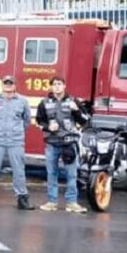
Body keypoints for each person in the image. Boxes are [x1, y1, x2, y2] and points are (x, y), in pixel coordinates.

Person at [36, 76, 89, 213]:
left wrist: (76, 110)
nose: (57, 86)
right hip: (51, 143)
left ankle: (72, 203)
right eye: (54, 84)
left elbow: (85, 121)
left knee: (71, 174)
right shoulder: (44, 103)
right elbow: (39, 121)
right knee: (51, 173)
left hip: (69, 143)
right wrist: (48, 127)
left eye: (59, 84)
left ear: (64, 86)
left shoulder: (73, 101)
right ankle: (52, 202)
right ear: (51, 87)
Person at [0, 75, 35, 210]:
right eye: (6, 83)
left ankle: (22, 199)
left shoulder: (22, 101)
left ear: (15, 85)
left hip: (15, 141)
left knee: (19, 170)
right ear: (2, 85)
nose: (8, 85)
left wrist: (17, 132)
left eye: (10, 83)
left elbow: (27, 121)